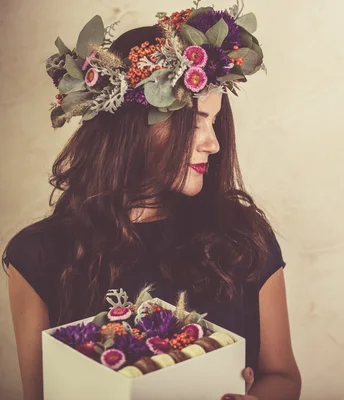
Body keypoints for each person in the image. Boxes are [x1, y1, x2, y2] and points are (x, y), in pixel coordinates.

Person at [2, 5, 301, 400]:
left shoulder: (245, 237)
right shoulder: (36, 255)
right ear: (132, 127)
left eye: (215, 122)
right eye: (194, 121)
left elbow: (282, 377)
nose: (213, 143)